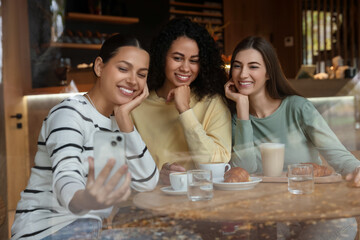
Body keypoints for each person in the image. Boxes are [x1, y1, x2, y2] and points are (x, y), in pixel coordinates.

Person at [11, 34, 159, 240]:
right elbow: (66, 176)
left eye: (142, 74)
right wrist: (86, 199)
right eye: (123, 69)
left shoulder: (117, 122)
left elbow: (147, 182)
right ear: (99, 67)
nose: (133, 80)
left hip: (86, 227)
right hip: (46, 230)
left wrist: (124, 118)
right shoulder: (68, 113)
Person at [225, 36, 359, 239]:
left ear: (269, 73)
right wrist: (242, 111)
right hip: (264, 220)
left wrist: (358, 169)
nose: (243, 74)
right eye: (237, 66)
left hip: (313, 214)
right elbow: (247, 169)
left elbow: (337, 155)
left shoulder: (297, 107)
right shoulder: (236, 119)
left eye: (253, 66)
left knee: (340, 224)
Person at [131, 18, 231, 184]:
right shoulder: (138, 105)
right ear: (162, 57)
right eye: (177, 58)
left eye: (193, 61)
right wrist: (156, 177)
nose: (185, 68)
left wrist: (185, 110)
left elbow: (217, 163)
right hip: (151, 203)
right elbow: (126, 167)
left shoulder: (213, 103)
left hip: (202, 199)